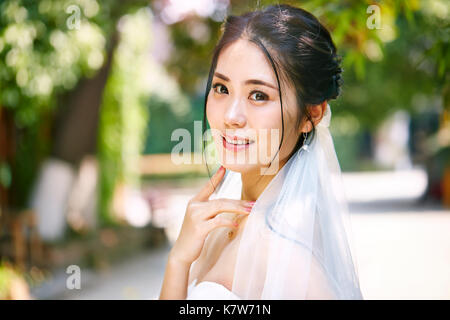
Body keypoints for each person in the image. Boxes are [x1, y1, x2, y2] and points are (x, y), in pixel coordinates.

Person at [159, 4, 363, 300]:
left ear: (311, 115)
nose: (231, 116)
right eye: (221, 88)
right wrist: (178, 261)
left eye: (259, 95)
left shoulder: (289, 255)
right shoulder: (216, 224)